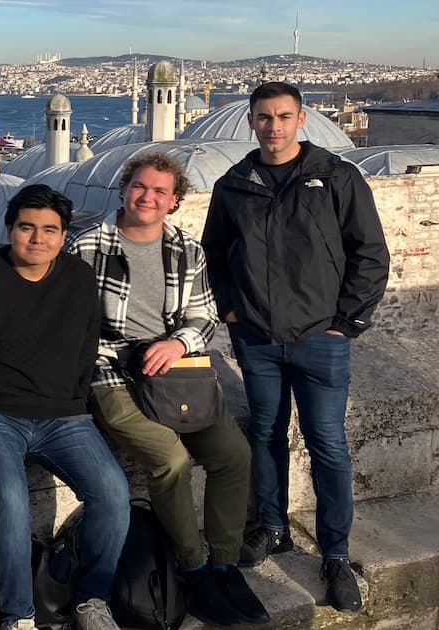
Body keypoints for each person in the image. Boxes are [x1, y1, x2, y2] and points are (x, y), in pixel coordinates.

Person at [201, 81, 390, 613]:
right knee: (264, 432)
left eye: (284, 116)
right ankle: (273, 526)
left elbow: (369, 253)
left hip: (321, 338)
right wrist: (231, 310)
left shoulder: (335, 177)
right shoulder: (234, 184)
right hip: (257, 337)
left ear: (302, 119)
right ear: (251, 122)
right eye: (264, 117)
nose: (274, 126)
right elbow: (214, 252)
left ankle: (334, 553)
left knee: (327, 441)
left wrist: (345, 322)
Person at [68, 153, 269, 627]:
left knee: (233, 456)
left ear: (174, 200)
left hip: (177, 371)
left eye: (160, 191)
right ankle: (193, 568)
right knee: (170, 459)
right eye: (140, 187)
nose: (148, 197)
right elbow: (72, 326)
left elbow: (203, 315)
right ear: (123, 189)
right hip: (112, 372)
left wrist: (178, 343)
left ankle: (223, 563)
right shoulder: (87, 247)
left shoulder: (186, 249)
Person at [0, 185, 129, 630]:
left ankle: (92, 601)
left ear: (62, 236)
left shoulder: (77, 278)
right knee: (11, 497)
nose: (37, 238)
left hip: (62, 413)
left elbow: (85, 346)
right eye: (27, 227)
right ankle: (17, 615)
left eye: (49, 230)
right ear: (10, 229)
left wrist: (76, 404)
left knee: (113, 493)